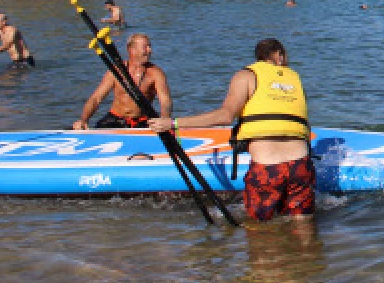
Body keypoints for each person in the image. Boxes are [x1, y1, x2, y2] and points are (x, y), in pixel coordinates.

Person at [149, 39, 313, 223]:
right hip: (301, 166)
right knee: (304, 225)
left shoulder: (246, 76)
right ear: (279, 56)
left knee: (259, 230)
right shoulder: (294, 78)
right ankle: (306, 251)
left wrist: (173, 123)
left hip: (268, 167)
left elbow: (225, 116)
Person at [74, 33, 171, 128]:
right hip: (115, 119)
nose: (150, 50)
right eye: (145, 47)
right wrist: (84, 120)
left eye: (150, 46)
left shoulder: (155, 73)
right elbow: (96, 99)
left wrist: (165, 120)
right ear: (131, 49)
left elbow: (165, 101)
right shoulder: (116, 71)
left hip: (143, 121)